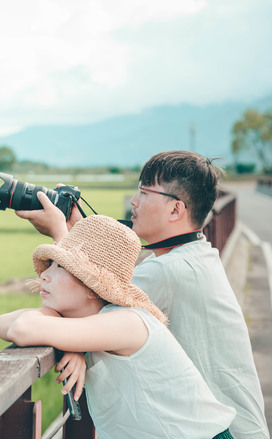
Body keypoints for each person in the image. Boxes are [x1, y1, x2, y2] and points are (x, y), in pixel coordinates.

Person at [16, 150, 268, 438]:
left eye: (145, 193)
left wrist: (61, 232)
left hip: (226, 431)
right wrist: (78, 233)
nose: (134, 201)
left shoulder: (172, 270)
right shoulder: (196, 254)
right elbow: (95, 295)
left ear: (176, 210)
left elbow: (90, 292)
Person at [0, 214, 236, 438]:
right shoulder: (102, 322)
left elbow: (20, 328)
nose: (45, 275)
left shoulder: (126, 322)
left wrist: (59, 329)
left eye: (60, 267)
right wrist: (70, 341)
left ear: (93, 286)